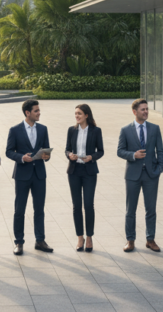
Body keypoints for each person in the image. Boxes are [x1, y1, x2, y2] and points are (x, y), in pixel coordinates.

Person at [5, 99, 53, 255]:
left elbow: (46, 151)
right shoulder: (15, 130)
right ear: (27, 113)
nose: (39, 113)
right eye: (36, 111)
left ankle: (40, 240)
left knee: (39, 209)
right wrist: (21, 158)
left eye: (39, 110)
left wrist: (46, 156)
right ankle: (18, 242)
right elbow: (9, 151)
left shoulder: (43, 129)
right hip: (22, 175)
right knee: (19, 210)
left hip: (39, 174)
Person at [117, 98, 163, 253]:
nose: (146, 112)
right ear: (134, 112)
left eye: (147, 109)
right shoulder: (125, 130)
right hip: (132, 175)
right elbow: (120, 151)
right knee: (131, 210)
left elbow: (160, 151)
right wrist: (133, 155)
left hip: (151, 175)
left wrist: (159, 169)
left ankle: (150, 239)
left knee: (151, 209)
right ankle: (130, 240)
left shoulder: (155, 128)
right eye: (143, 109)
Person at [65, 104, 104, 252]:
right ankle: (79, 237)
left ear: (87, 115)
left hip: (89, 172)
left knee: (88, 205)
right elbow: (66, 149)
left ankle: (89, 237)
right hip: (74, 171)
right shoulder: (71, 130)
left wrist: (91, 157)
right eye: (75, 114)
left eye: (79, 114)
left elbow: (101, 151)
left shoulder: (95, 131)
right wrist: (69, 155)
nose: (77, 116)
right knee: (76, 206)